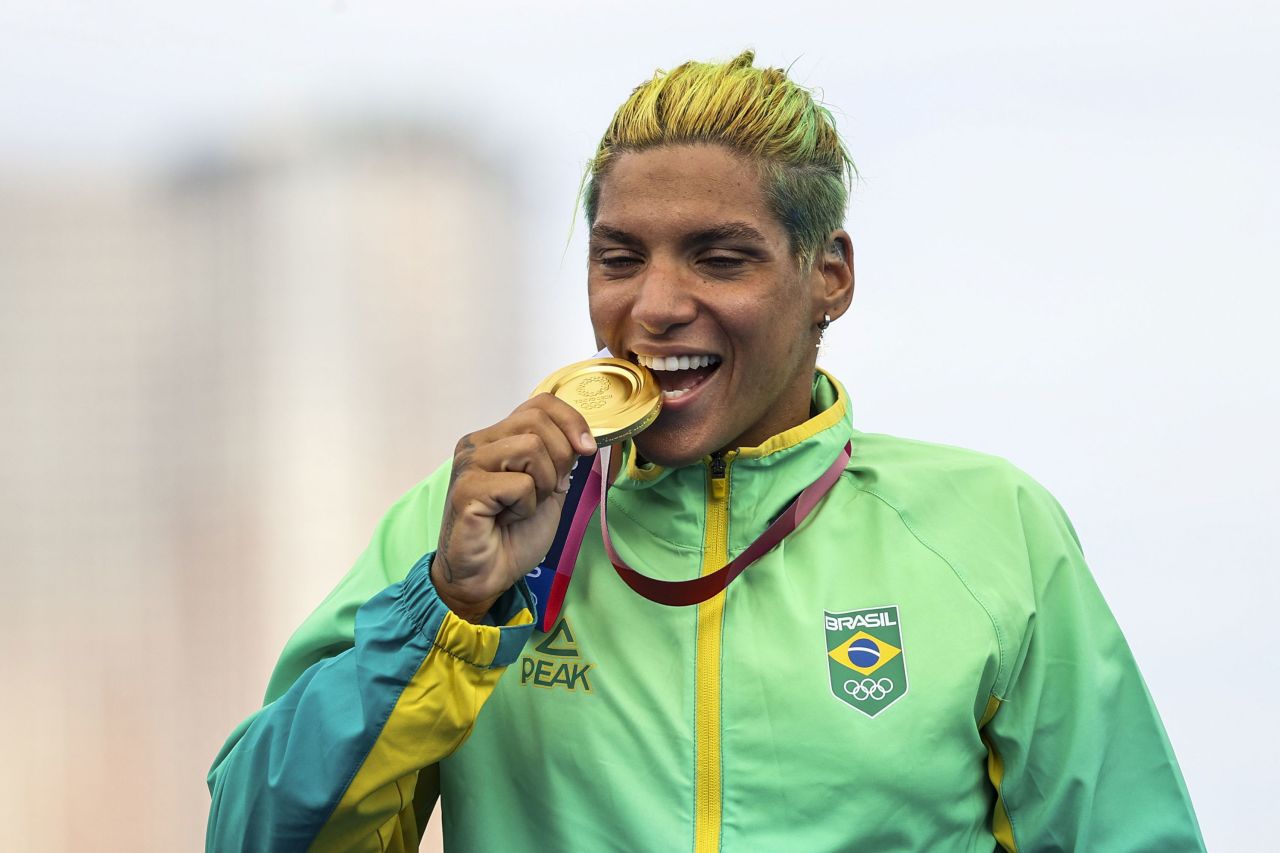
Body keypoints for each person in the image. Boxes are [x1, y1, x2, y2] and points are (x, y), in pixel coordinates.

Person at [206, 51, 1204, 852]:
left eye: (719, 258)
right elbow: (255, 836)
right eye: (618, 257)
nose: (654, 305)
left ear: (828, 276)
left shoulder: (990, 529)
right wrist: (452, 608)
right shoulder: (472, 525)